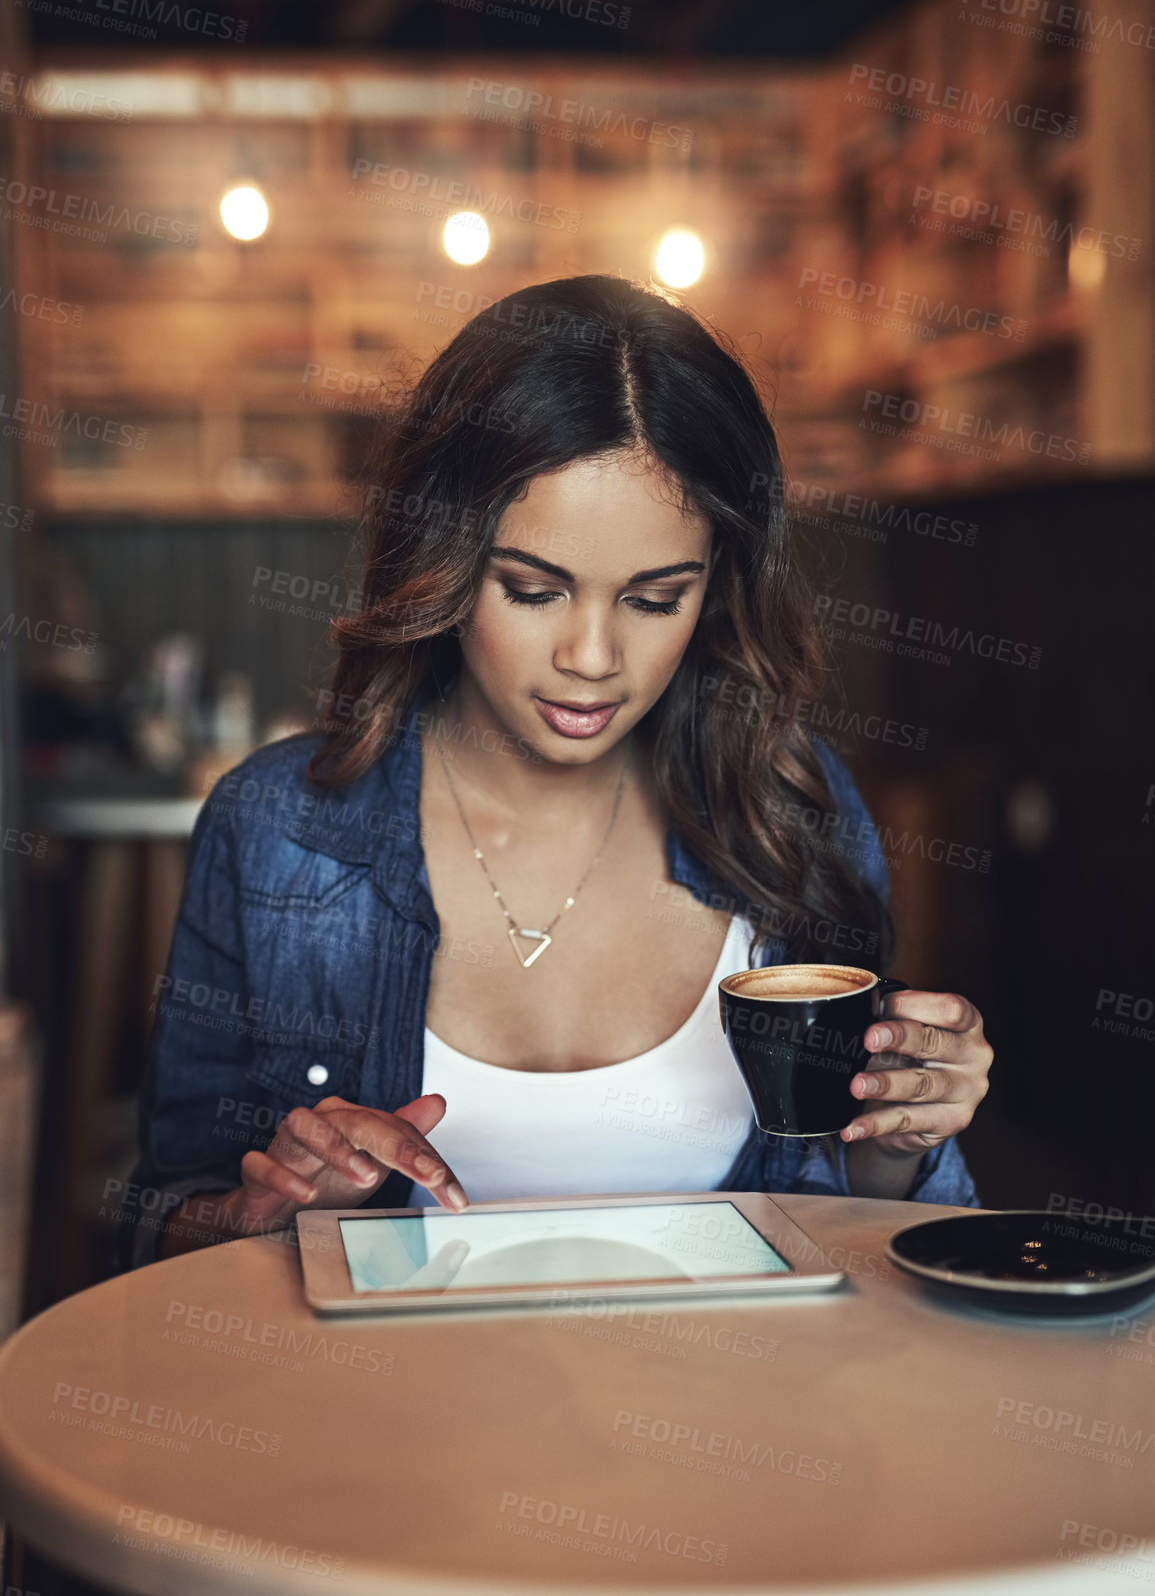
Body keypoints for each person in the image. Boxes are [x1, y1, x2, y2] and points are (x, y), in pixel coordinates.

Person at [124, 273, 991, 1269]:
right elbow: (162, 1218)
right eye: (534, 589)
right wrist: (265, 1212)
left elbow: (879, 1239)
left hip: (740, 1418)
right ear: (443, 561)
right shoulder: (276, 830)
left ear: (718, 586)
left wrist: (908, 1134)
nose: (592, 656)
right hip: (391, 1421)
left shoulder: (789, 808)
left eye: (655, 599)